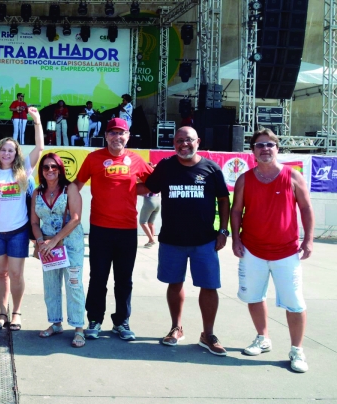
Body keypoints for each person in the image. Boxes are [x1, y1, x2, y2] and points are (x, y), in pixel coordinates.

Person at [231, 129, 314, 373]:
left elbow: (307, 209)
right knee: (254, 298)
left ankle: (297, 350)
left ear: (277, 148)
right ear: (253, 151)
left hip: (287, 252)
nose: (265, 149)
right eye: (259, 145)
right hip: (252, 251)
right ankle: (262, 338)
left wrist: (308, 240)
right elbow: (236, 211)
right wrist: (235, 238)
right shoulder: (245, 179)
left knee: (295, 304)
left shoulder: (293, 176)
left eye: (269, 144)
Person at [144, 126, 230, 356]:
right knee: (175, 283)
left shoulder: (211, 168)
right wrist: (118, 183)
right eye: (179, 140)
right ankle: (176, 328)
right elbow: (147, 187)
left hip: (205, 241)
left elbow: (224, 199)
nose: (184, 144)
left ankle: (208, 334)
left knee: (209, 287)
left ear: (198, 141)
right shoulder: (165, 166)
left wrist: (224, 230)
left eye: (189, 140)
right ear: (174, 143)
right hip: (172, 240)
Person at [74, 118, 153, 341]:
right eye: (113, 133)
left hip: (127, 230)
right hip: (100, 229)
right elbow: (76, 186)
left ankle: (121, 321)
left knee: (124, 279)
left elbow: (152, 184)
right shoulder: (93, 158)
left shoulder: (137, 160)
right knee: (98, 277)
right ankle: (95, 319)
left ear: (128, 137)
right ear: (106, 135)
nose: (117, 137)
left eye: (122, 133)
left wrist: (133, 189)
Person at [0, 107, 44, 332]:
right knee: (2, 274)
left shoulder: (23, 170)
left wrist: (36, 121)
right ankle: (2, 313)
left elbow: (40, 147)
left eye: (11, 151)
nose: (7, 154)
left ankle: (16, 312)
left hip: (18, 231)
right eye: (3, 150)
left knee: (16, 274)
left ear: (16, 154)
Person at [31, 153, 86, 347]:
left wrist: (55, 240)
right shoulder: (38, 192)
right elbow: (34, 222)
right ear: (41, 171)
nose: (50, 170)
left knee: (74, 285)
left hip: (70, 245)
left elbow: (76, 218)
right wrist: (40, 242)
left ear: (60, 169)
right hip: (47, 247)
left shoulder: (70, 188)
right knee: (51, 285)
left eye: (54, 166)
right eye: (45, 167)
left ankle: (79, 328)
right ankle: (55, 323)